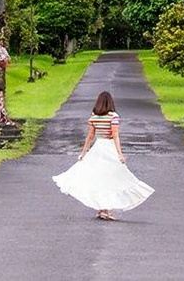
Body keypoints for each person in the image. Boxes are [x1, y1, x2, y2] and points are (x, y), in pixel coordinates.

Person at [52, 91, 154, 220]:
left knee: (99, 177)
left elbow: (90, 136)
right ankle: (106, 210)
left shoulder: (94, 117)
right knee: (112, 178)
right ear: (110, 103)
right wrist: (120, 154)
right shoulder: (113, 117)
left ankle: (102, 209)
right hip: (109, 148)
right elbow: (115, 136)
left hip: (98, 148)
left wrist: (83, 153)